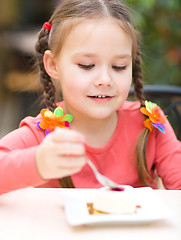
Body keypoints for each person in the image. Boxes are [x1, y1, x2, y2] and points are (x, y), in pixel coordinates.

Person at [0, 0, 181, 195]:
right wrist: (38, 162)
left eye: (119, 67)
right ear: (53, 65)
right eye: (87, 65)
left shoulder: (149, 124)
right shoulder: (40, 135)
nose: (105, 80)